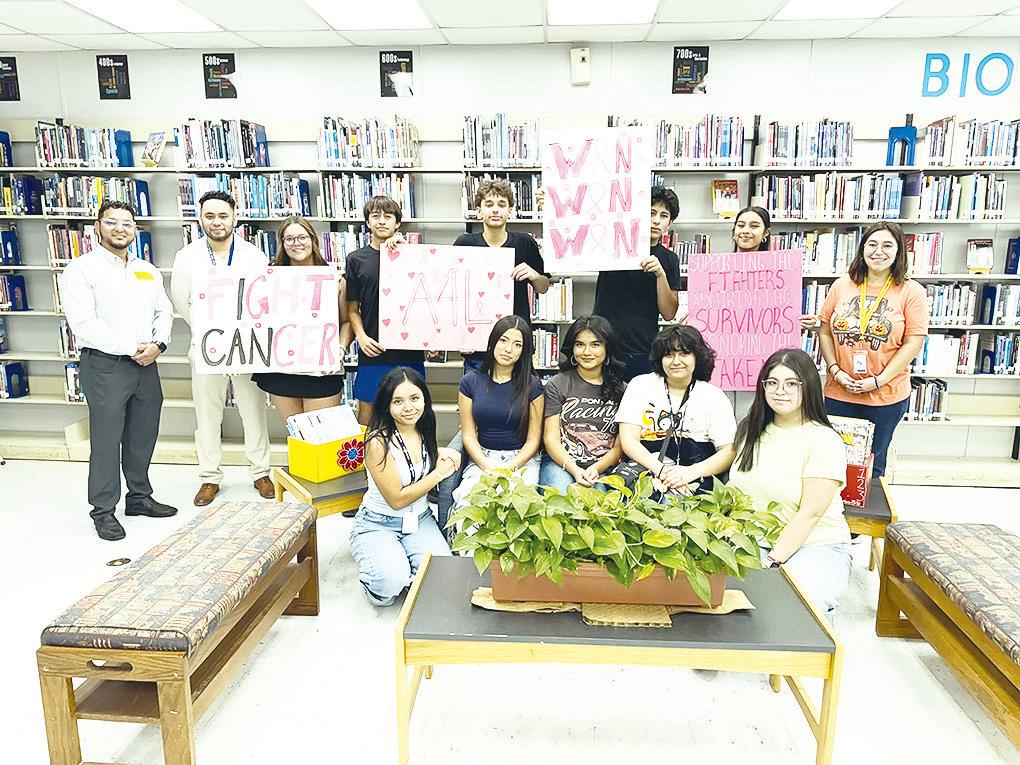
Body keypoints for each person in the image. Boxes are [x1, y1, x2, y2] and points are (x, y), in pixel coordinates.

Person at [58, 200, 177, 540]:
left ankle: (139, 498)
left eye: (127, 223)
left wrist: (159, 344)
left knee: (143, 434)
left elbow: (164, 311)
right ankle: (103, 510)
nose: (120, 228)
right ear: (97, 227)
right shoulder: (81, 270)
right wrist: (131, 348)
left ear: (135, 230)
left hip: (146, 363)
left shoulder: (147, 270)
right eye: (111, 222)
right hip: (105, 365)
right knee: (107, 440)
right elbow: (83, 322)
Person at [728, 349, 853, 616]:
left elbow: (811, 513)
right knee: (727, 604)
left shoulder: (823, 440)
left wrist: (772, 561)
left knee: (798, 609)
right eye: (772, 382)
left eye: (791, 384)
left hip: (815, 543)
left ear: (808, 386)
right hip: (753, 539)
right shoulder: (751, 429)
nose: (780, 391)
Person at [170, 190, 274, 506]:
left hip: (246, 345)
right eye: (210, 216)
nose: (217, 222)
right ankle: (209, 477)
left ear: (235, 218)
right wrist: (209, 330)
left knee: (253, 410)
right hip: (206, 345)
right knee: (207, 413)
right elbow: (181, 300)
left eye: (223, 216)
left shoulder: (253, 255)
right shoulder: (186, 256)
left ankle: (260, 472)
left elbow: (263, 299)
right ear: (200, 219)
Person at [818, 222, 927, 477]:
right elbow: (824, 331)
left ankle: (867, 504)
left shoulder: (912, 291)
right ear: (862, 248)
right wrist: (835, 371)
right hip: (839, 391)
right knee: (832, 461)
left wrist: (879, 380)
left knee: (872, 466)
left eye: (887, 245)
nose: (879, 251)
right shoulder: (841, 285)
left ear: (899, 251)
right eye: (872, 244)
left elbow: (913, 342)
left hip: (885, 395)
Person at [349, 367, 459, 606]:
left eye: (414, 398)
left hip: (420, 520)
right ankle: (380, 573)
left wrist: (441, 452)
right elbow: (397, 500)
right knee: (388, 587)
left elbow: (417, 460)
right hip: (378, 523)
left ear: (424, 399)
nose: (408, 407)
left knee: (444, 579)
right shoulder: (378, 442)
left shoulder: (423, 426)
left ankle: (405, 567)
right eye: (398, 401)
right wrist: (438, 474)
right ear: (386, 405)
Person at [615, 325, 735, 496]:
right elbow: (628, 440)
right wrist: (663, 472)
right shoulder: (640, 385)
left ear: (698, 356)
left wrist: (689, 473)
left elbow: (728, 451)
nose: (676, 361)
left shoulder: (714, 396)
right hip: (646, 472)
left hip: (695, 477)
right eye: (669, 355)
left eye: (684, 354)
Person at [252, 215, 352, 420]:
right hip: (281, 372)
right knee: (295, 434)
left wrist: (340, 349)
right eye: (289, 239)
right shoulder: (269, 279)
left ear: (312, 239)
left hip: (321, 371)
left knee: (321, 434)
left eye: (302, 237)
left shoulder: (334, 279)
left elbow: (346, 321)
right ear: (282, 244)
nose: (296, 243)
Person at [454, 178, 550, 371]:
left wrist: (534, 275)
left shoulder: (525, 243)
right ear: (479, 210)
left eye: (501, 204)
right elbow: (452, 292)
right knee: (477, 389)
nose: (495, 210)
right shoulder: (465, 243)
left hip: (516, 341)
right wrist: (459, 336)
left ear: (510, 210)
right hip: (477, 343)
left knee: (520, 390)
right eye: (489, 204)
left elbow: (543, 287)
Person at [345, 196, 426, 427]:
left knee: (411, 414)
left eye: (388, 217)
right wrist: (361, 337)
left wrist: (406, 250)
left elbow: (425, 301)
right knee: (367, 416)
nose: (381, 221)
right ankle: (368, 453)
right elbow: (352, 307)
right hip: (373, 348)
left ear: (397, 223)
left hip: (409, 350)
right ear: (367, 222)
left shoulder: (414, 256)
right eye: (375, 216)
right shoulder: (356, 259)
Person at [451, 315, 545, 510]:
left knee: (517, 508)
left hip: (522, 460)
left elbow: (533, 440)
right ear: (493, 342)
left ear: (524, 351)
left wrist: (510, 468)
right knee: (469, 507)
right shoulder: (470, 382)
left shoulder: (533, 386)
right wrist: (487, 466)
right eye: (503, 340)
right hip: (483, 458)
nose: (508, 349)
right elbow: (468, 435)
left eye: (517, 345)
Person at [592, 186, 682, 381]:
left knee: (640, 400)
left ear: (670, 223)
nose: (656, 220)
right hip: (604, 345)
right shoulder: (611, 245)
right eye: (651, 213)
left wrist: (660, 275)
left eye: (664, 216)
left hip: (643, 349)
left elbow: (669, 313)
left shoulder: (670, 259)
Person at [539, 315, 626, 493]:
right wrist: (574, 469)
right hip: (560, 464)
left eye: (595, 345)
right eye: (580, 344)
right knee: (562, 495)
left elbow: (619, 447)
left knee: (599, 499)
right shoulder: (558, 384)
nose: (587, 352)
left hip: (603, 467)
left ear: (607, 348)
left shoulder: (623, 390)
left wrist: (596, 468)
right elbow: (550, 439)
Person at [731, 205, 817, 331]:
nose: (745, 230)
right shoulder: (716, 271)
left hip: (764, 340)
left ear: (766, 233)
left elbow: (783, 313)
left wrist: (802, 321)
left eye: (754, 226)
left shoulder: (780, 273)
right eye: (740, 225)